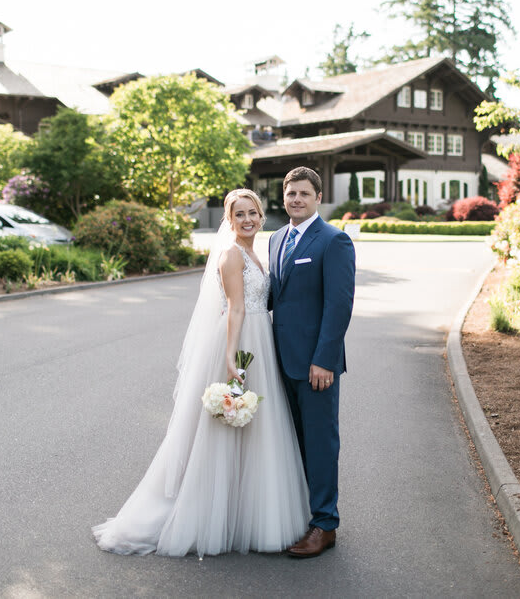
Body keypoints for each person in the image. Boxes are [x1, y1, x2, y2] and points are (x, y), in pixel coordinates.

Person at [92, 189, 309, 557]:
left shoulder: (258, 252)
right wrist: (232, 361)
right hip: (242, 344)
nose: (247, 220)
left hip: (261, 342)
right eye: (238, 214)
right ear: (229, 220)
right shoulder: (230, 255)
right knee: (226, 431)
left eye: (252, 213)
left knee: (258, 430)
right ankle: (205, 515)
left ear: (261, 215)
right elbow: (236, 310)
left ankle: (247, 512)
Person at [268, 167, 356, 558]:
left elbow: (339, 306)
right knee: (288, 442)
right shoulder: (274, 239)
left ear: (318, 197)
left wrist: (324, 360)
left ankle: (324, 524)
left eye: (304, 193)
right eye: (291, 194)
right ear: (283, 197)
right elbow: (273, 298)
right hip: (278, 362)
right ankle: (296, 515)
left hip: (315, 366)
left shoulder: (334, 241)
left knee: (320, 444)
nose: (296, 199)